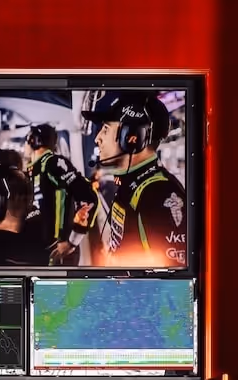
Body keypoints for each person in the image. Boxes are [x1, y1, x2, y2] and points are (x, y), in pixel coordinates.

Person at [80, 90, 187, 268]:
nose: (97, 138)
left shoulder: (158, 196)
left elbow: (171, 287)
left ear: (132, 138)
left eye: (105, 129)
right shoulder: (131, 185)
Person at [23, 122, 98, 265]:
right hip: (42, 252)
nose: (24, 145)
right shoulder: (34, 171)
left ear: (34, 140)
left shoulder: (53, 163)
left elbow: (89, 198)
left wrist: (70, 242)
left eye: (27, 140)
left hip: (59, 250)